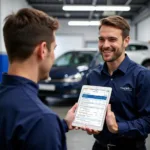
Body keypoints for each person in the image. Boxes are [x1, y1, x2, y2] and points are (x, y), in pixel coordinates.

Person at [0, 8, 77, 150]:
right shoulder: (41, 118)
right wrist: (49, 126)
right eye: (53, 48)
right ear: (42, 50)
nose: (53, 56)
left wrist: (62, 125)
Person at [85, 15, 150, 150]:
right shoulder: (93, 76)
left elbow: (148, 121)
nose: (105, 45)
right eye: (101, 39)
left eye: (112, 39)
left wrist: (117, 127)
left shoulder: (142, 76)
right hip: (99, 147)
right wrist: (91, 125)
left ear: (126, 41)